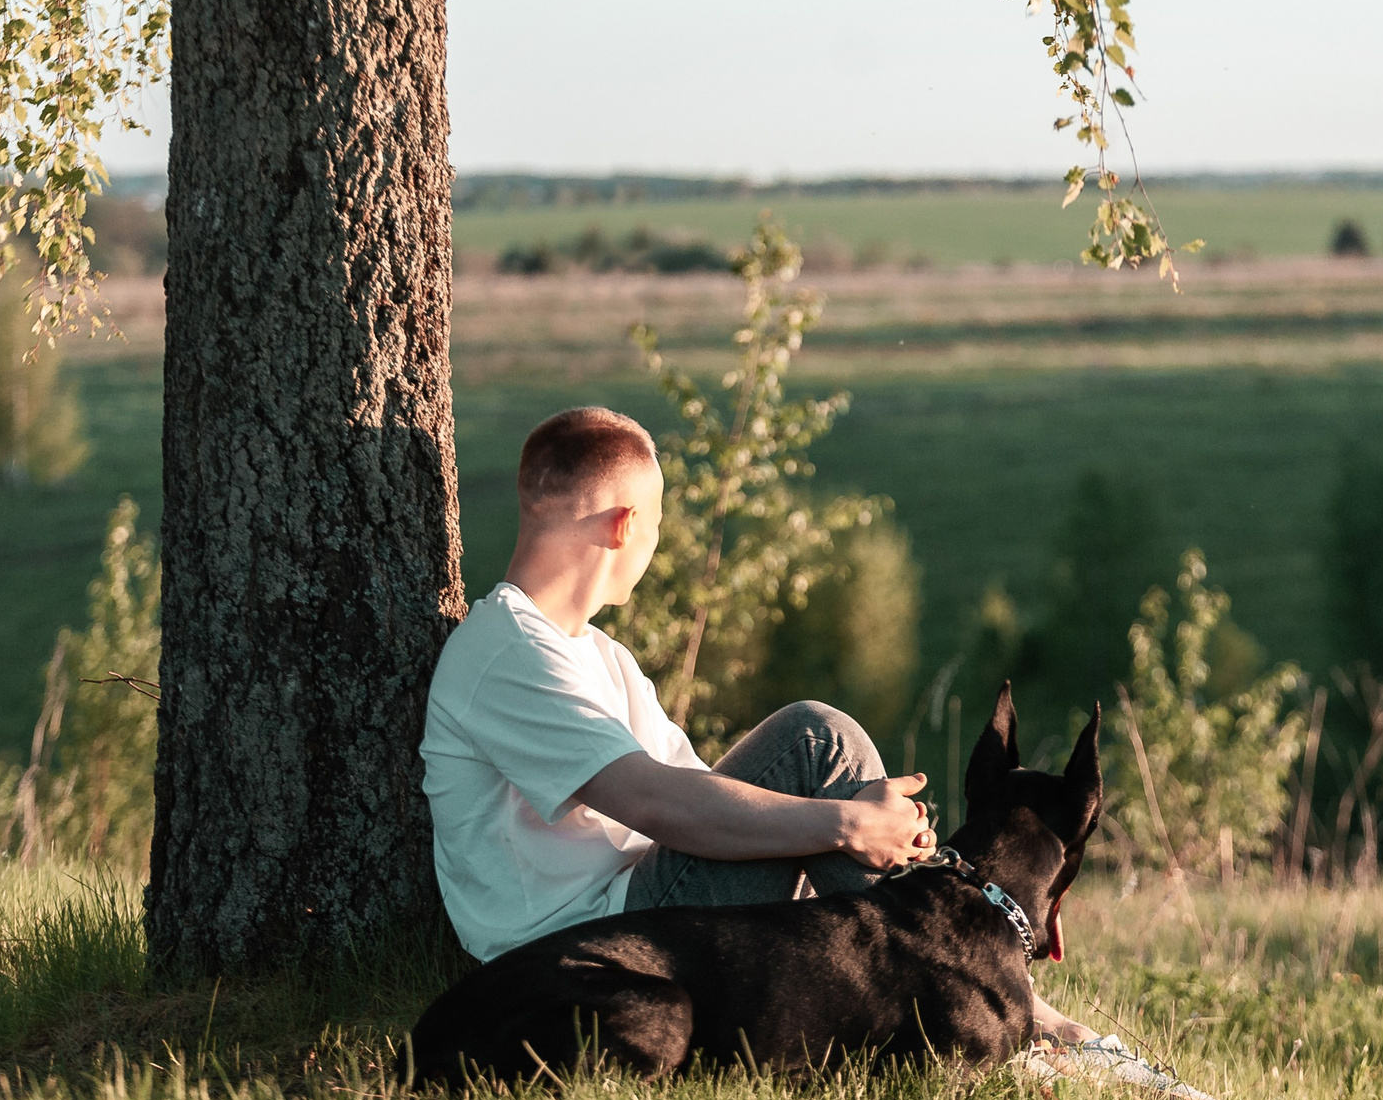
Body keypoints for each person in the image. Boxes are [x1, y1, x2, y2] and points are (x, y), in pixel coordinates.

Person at [420, 404, 1101, 1047]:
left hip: (638, 910)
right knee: (815, 739)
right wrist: (845, 824)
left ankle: (973, 998)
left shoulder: (600, 656)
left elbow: (696, 789)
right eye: (658, 523)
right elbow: (662, 803)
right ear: (625, 524)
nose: (654, 542)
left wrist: (865, 825)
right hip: (586, 952)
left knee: (823, 764)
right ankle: (983, 1002)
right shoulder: (505, 651)